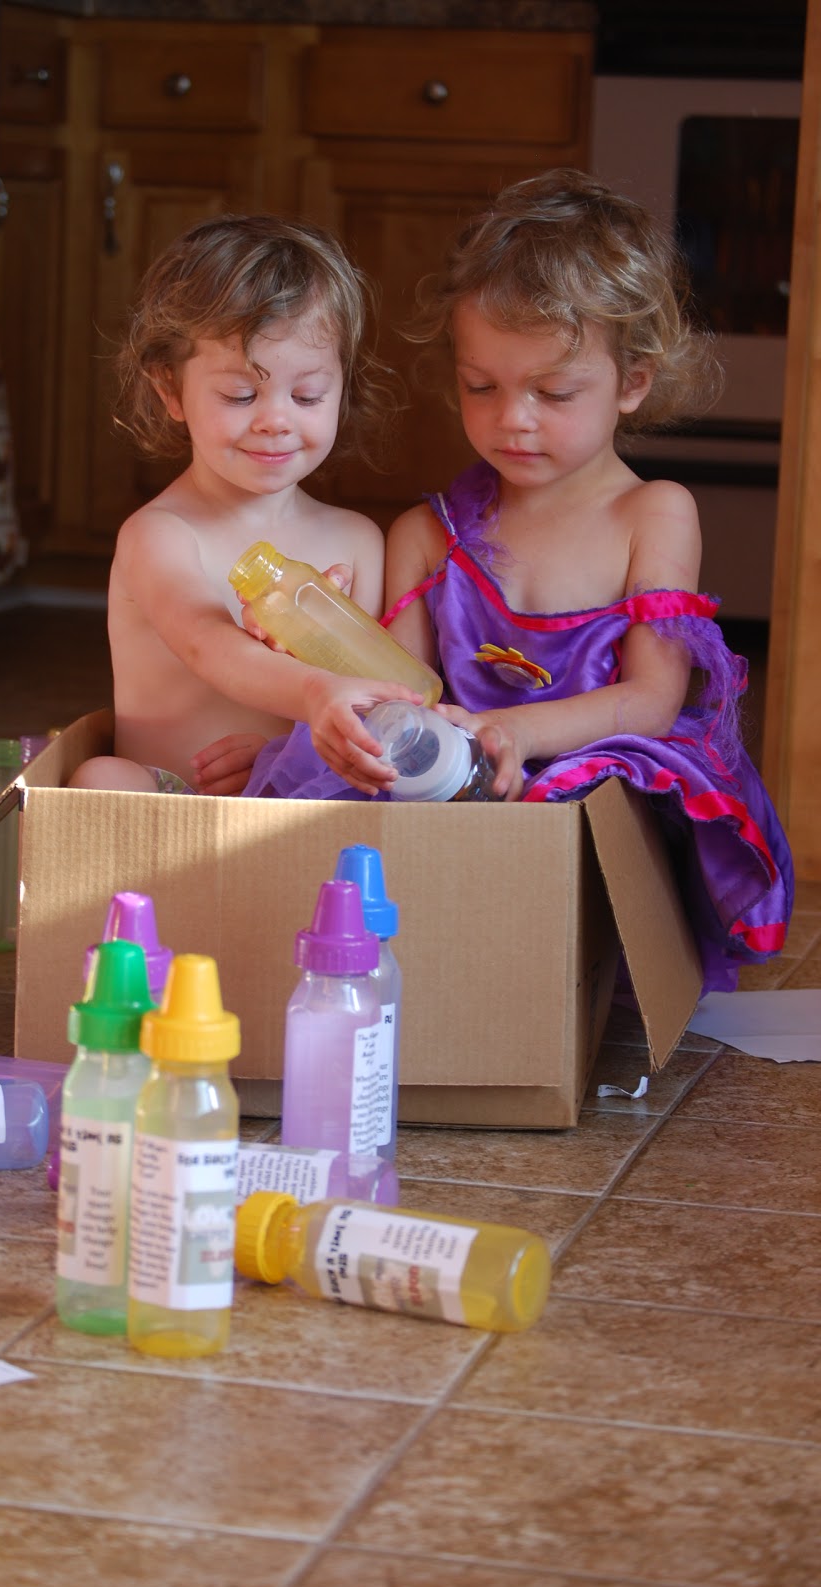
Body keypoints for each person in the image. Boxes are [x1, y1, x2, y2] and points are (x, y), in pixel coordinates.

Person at [245, 168, 794, 994]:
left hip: (587, 765)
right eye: (482, 387)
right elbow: (393, 695)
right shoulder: (428, 534)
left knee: (586, 792)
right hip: (453, 785)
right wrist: (312, 667)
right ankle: (394, 967)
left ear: (631, 383)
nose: (513, 418)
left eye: (554, 391)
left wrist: (522, 737)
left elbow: (649, 701)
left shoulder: (653, 512)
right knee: (344, 792)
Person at [68, 214, 418, 798]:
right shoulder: (160, 534)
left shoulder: (358, 540)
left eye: (307, 395)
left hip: (293, 797)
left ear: (341, 388)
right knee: (99, 779)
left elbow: (371, 705)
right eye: (240, 394)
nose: (275, 420)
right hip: (168, 795)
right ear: (170, 391)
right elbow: (207, 644)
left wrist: (285, 755)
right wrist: (310, 690)